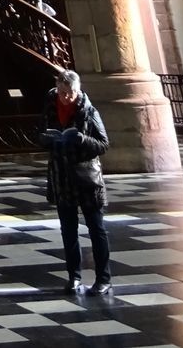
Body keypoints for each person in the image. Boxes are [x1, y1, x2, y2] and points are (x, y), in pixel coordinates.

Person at [41, 69, 110, 295]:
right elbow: (41, 134)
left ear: (78, 90)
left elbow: (103, 144)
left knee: (96, 229)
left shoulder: (89, 112)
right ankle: (74, 277)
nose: (66, 97)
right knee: (68, 231)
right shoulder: (51, 109)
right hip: (62, 178)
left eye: (70, 93)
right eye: (62, 93)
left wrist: (81, 139)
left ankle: (103, 278)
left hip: (86, 178)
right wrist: (47, 139)